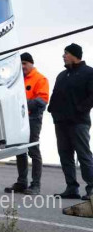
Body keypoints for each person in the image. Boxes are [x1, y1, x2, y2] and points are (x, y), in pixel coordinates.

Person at [48, 43, 93, 200]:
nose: (63, 56)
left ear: (75, 55)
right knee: (65, 155)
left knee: (84, 155)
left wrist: (80, 110)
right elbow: (54, 95)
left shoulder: (89, 73)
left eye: (66, 53)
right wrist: (52, 110)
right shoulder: (61, 75)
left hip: (79, 122)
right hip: (60, 122)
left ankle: (92, 188)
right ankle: (72, 188)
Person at [4, 52, 49, 195]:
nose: (22, 66)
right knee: (19, 150)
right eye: (20, 63)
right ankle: (22, 182)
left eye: (25, 63)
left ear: (31, 63)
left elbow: (42, 101)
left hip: (33, 120)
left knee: (33, 151)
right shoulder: (16, 80)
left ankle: (36, 185)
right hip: (18, 120)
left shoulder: (40, 79)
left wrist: (22, 104)